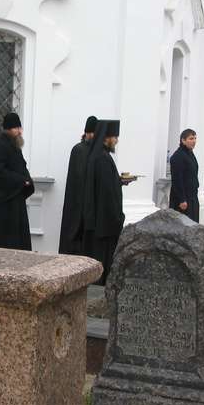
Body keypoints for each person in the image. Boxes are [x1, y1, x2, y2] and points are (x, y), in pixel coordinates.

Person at [82, 120, 134, 285]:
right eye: (115, 137)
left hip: (101, 220)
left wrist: (119, 181)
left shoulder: (99, 155)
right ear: (106, 138)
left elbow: (107, 185)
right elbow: (106, 193)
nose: (117, 140)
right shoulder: (102, 158)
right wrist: (117, 216)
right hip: (105, 222)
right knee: (103, 259)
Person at [0, 112, 34, 250]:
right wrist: (21, 180)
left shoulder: (14, 146)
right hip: (3, 201)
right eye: (16, 128)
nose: (20, 131)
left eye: (20, 128)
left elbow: (21, 167)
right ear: (9, 129)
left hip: (15, 197)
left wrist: (27, 180)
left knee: (17, 237)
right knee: (3, 238)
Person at [58, 115, 98, 254]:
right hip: (78, 204)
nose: (93, 135)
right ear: (86, 133)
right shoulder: (79, 150)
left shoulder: (98, 151)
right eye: (91, 132)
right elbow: (80, 177)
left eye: (95, 133)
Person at [169, 128, 199, 222]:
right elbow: (177, 179)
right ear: (183, 140)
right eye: (191, 138)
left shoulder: (190, 154)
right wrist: (182, 199)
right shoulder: (178, 156)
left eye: (195, 138)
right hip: (183, 199)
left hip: (192, 196)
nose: (194, 141)